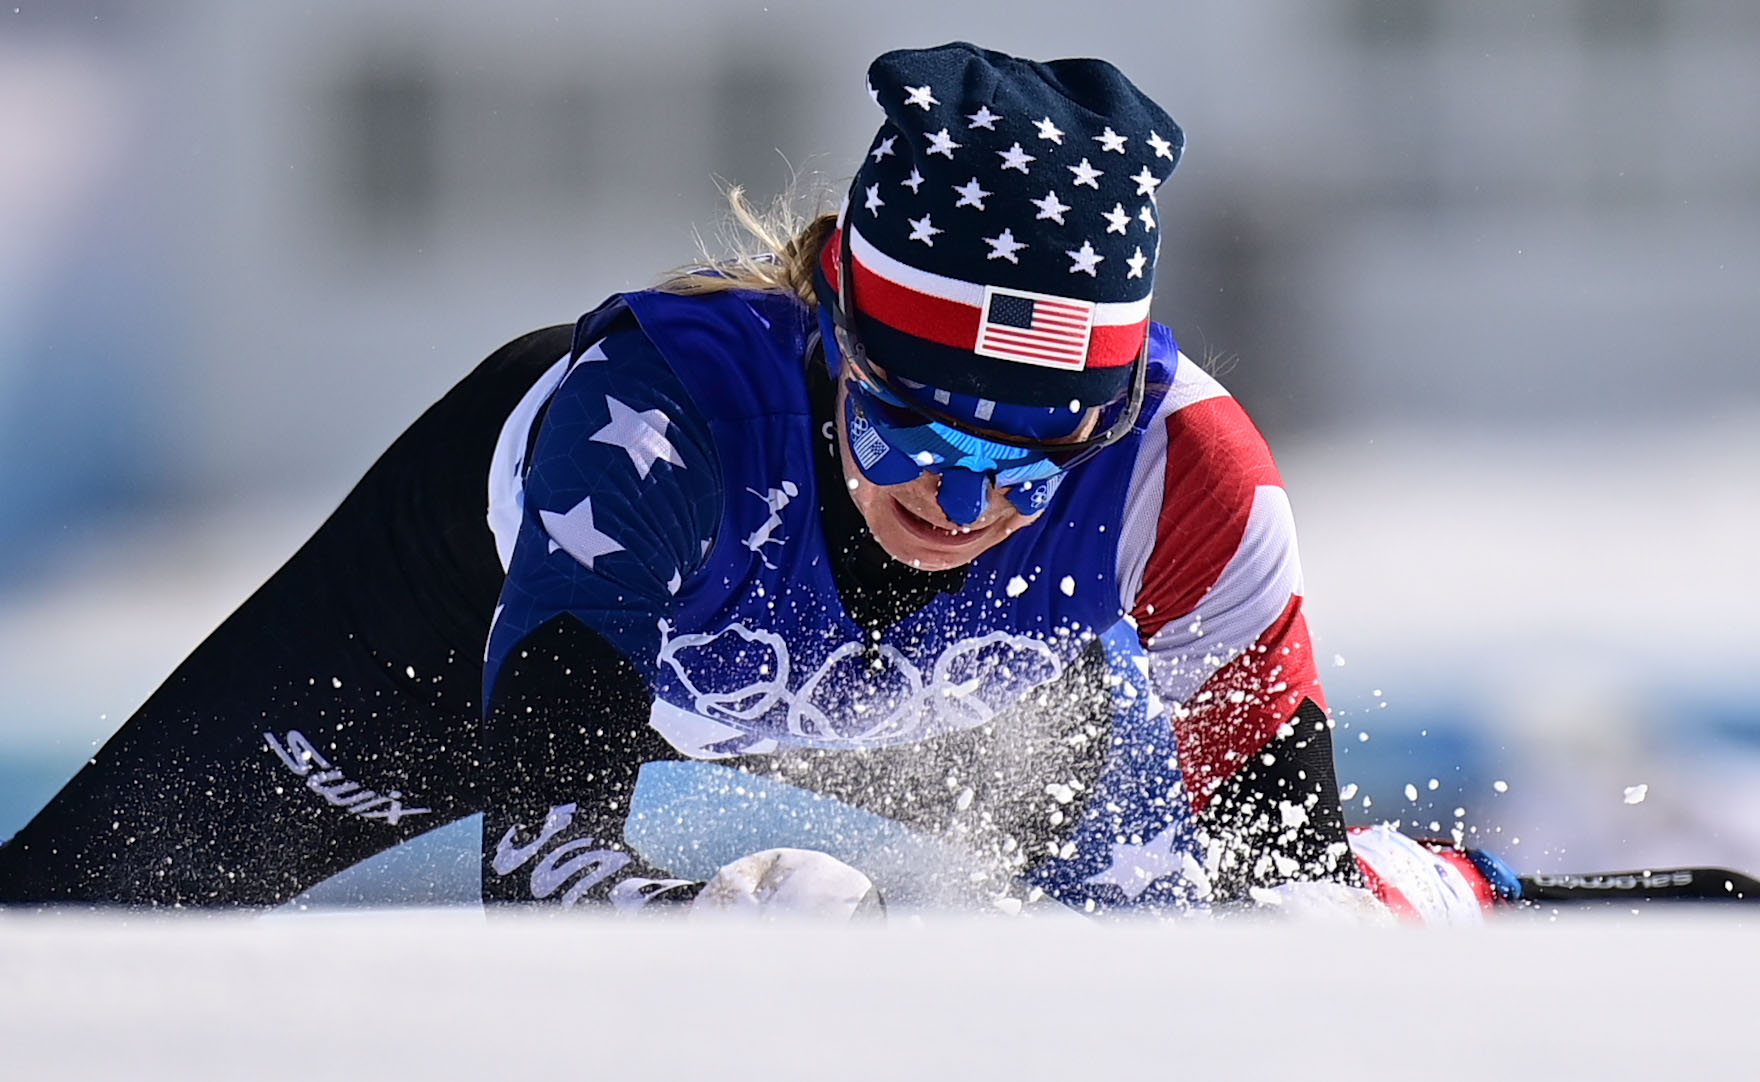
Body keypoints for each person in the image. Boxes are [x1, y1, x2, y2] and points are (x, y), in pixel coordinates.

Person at [0, 42, 1499, 920]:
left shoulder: (1193, 482)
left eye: (1028, 464)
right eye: (915, 428)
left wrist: (1329, 901)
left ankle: (1457, 880)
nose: (963, 505)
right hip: (473, 649)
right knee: (65, 919)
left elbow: (1279, 898)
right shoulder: (656, 419)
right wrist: (717, 925)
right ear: (839, 341)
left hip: (918, 697)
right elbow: (549, 869)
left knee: (1215, 908)